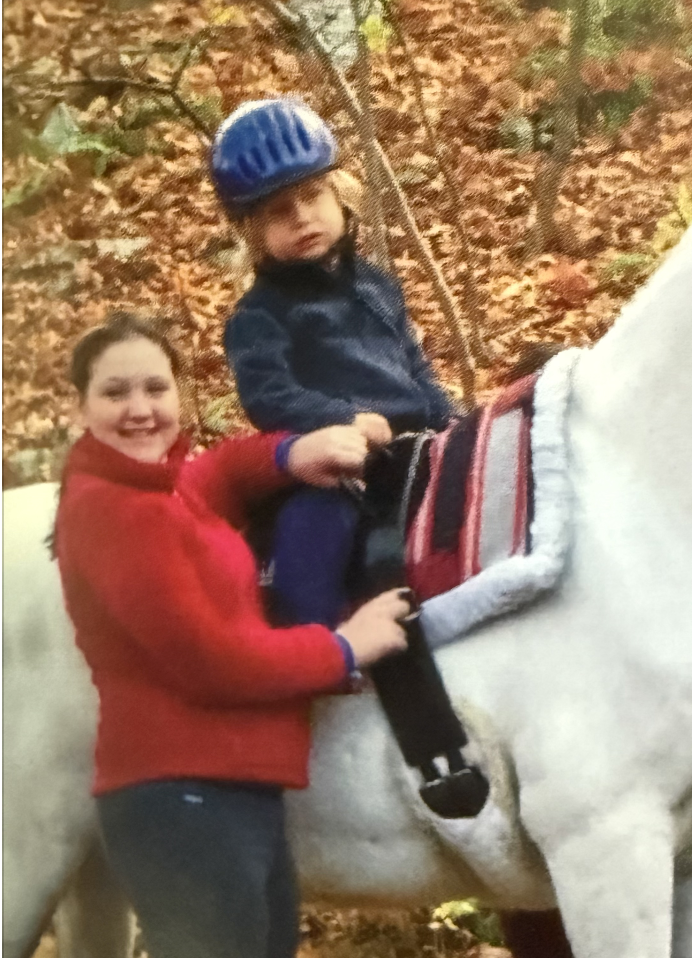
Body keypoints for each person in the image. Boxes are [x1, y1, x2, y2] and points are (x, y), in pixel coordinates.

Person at [54, 311, 411, 958]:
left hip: (228, 794)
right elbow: (212, 659)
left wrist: (288, 452)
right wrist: (344, 646)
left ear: (179, 394)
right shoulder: (113, 511)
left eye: (155, 389)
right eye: (115, 392)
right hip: (180, 798)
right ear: (79, 406)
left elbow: (217, 472)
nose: (140, 409)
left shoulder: (159, 490)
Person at [211, 97, 454, 630]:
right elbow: (268, 397)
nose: (301, 217)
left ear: (339, 195)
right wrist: (343, 418)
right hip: (334, 461)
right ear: (253, 231)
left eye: (312, 196)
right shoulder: (260, 316)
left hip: (413, 447)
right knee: (317, 520)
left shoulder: (376, 287)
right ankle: (312, 642)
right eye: (279, 210)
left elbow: (414, 368)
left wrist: (453, 420)